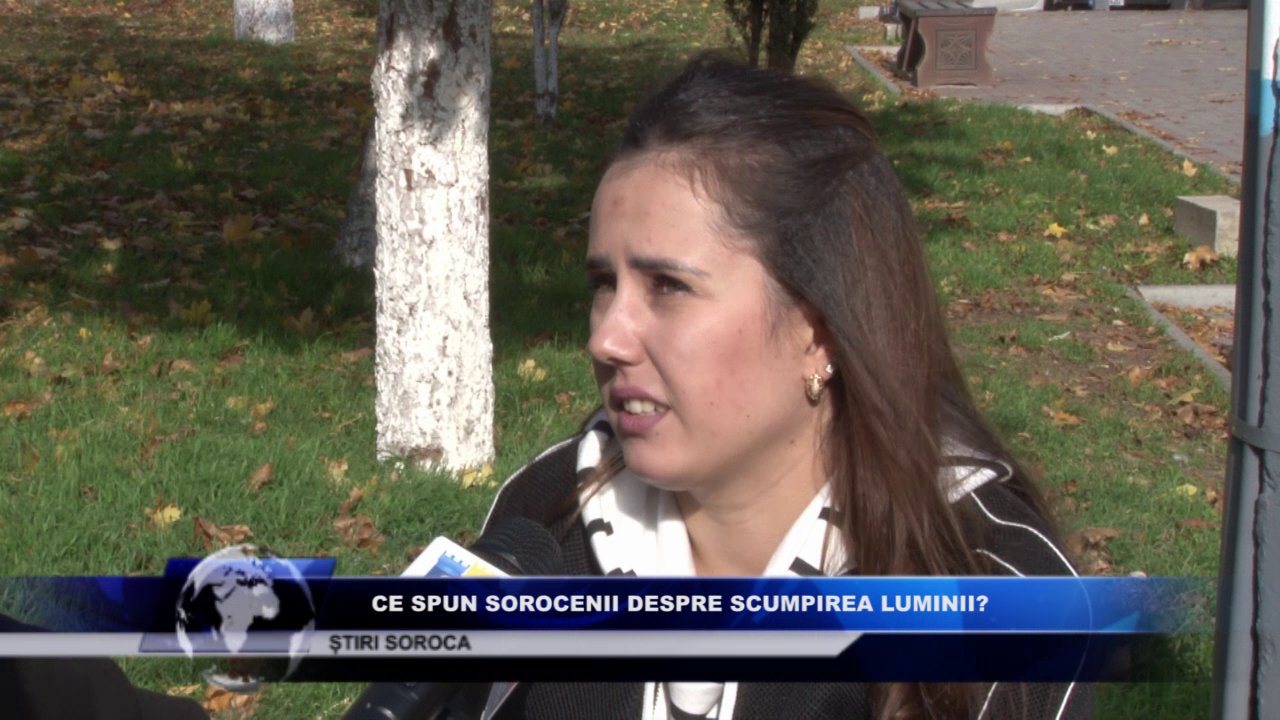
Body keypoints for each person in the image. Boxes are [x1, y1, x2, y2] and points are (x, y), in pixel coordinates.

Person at [483, 54, 1089, 720]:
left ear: (820, 328)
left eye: (669, 286)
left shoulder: (994, 599)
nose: (607, 338)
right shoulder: (542, 520)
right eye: (605, 284)